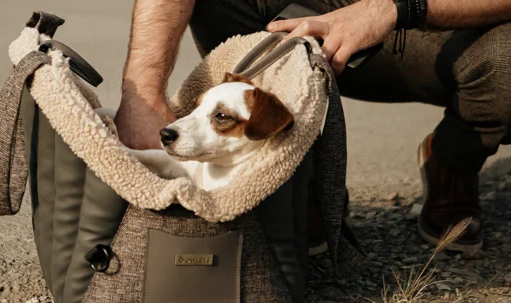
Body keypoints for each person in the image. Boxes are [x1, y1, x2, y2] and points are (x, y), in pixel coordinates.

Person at [114, 0, 511, 254]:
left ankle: (453, 159)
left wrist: (393, 8)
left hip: (444, 23)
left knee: (506, 56)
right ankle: (295, 182)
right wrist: (143, 96)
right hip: (316, 10)